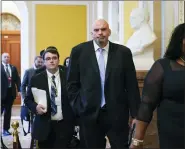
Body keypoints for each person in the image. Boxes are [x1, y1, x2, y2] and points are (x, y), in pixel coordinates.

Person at [67, 19, 141, 148]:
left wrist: (135, 114)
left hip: (117, 114)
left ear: (109, 32)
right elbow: (71, 84)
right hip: (89, 114)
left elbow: (131, 85)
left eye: (103, 29)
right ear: (92, 33)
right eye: (96, 30)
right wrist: (79, 106)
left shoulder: (123, 53)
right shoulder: (78, 52)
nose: (100, 33)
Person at [130, 23, 185, 148]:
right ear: (179, 41)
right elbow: (147, 105)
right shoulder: (163, 66)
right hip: (173, 132)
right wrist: (137, 140)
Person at [24, 47, 75, 148]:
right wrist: (35, 107)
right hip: (44, 125)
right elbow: (28, 99)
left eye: (54, 58)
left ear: (58, 60)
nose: (51, 61)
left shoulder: (68, 77)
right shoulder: (36, 79)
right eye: (48, 59)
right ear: (44, 62)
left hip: (64, 125)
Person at [1, 53, 21, 136]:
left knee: (8, 112)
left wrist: (19, 90)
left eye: (8, 57)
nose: (6, 58)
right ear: (2, 58)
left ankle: (6, 129)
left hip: (10, 93)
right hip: (1, 93)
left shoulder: (13, 68)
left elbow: (17, 80)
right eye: (5, 57)